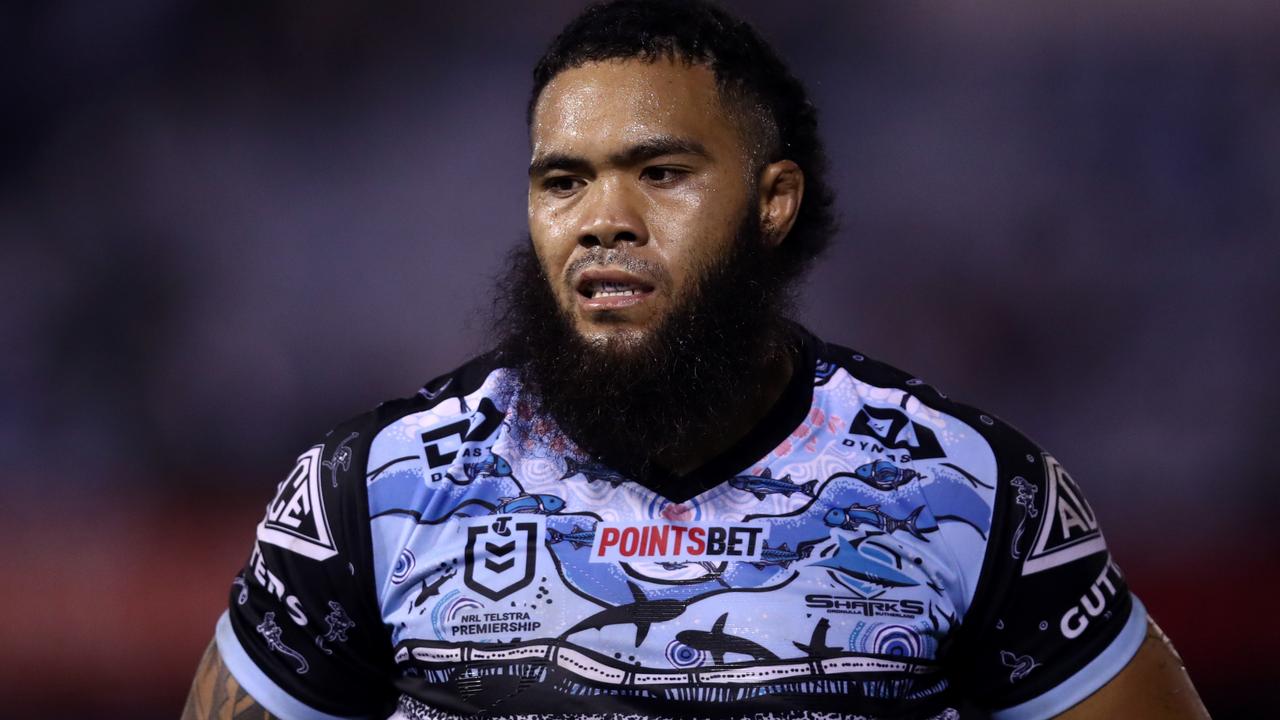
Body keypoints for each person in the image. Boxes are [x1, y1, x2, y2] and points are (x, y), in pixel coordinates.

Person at [183, 1, 1208, 718]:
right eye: (561, 182)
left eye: (659, 173)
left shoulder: (969, 489)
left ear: (772, 202)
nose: (601, 222)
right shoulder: (370, 491)